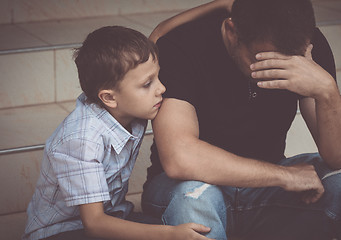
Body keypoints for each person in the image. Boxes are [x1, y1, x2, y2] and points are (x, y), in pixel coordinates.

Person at [141, 0, 341, 239]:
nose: (271, 70)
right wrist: (284, 176)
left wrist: (326, 90)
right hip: (190, 185)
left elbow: (339, 157)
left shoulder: (306, 44)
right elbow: (179, 157)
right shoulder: (182, 45)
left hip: (265, 191)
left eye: (287, 64)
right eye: (260, 60)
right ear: (231, 31)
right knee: (193, 199)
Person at [23, 26, 215, 240]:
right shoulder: (82, 139)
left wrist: (222, 5)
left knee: (177, 225)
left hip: (114, 216)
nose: (161, 88)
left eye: (158, 77)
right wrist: (169, 234)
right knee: (167, 233)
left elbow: (161, 33)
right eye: (147, 84)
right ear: (109, 98)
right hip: (63, 231)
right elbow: (94, 225)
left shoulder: (129, 106)